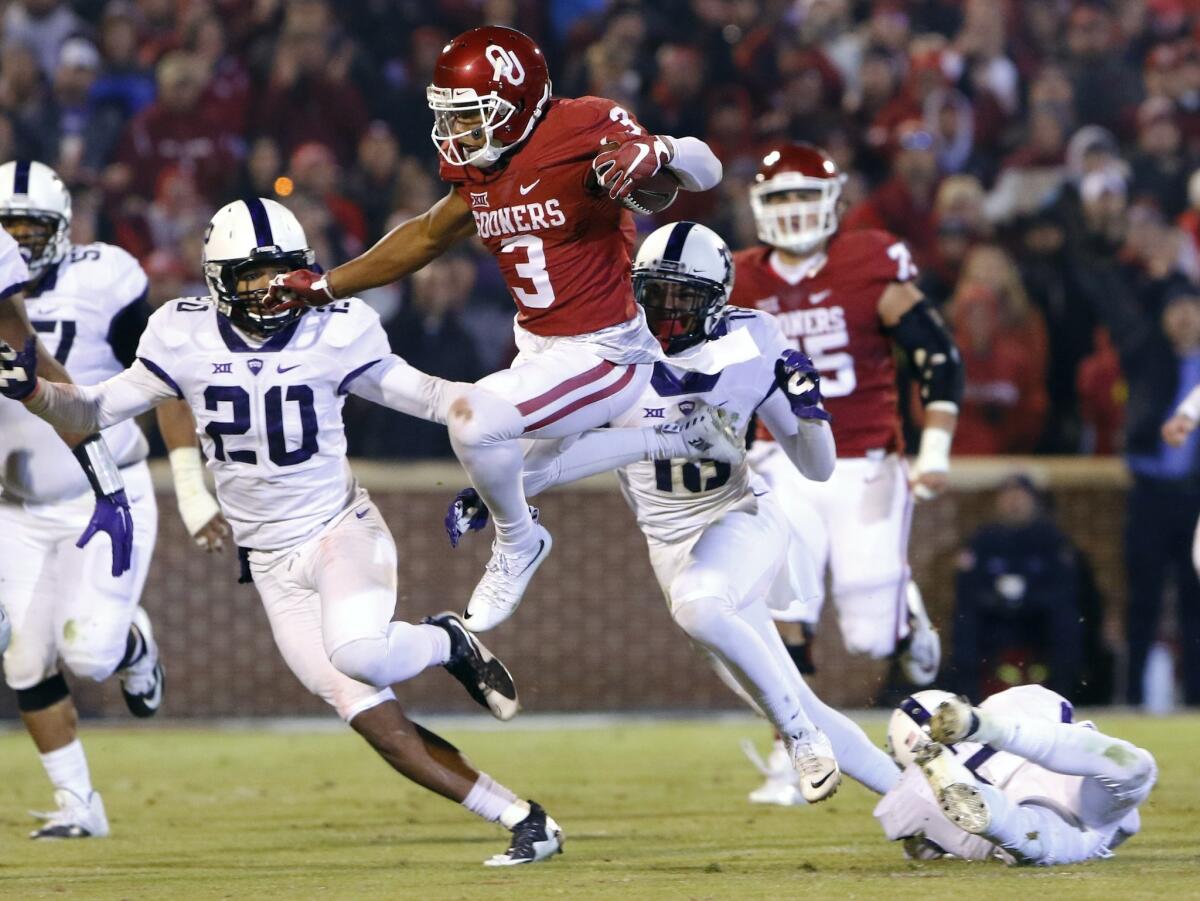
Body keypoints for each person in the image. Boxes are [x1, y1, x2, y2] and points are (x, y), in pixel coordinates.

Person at [0, 197, 725, 866]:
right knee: (369, 716)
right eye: (253, 277)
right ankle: (524, 816)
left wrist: (502, 409)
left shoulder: (337, 326)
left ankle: (446, 638)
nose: (272, 290)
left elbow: (426, 393)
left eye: (284, 273)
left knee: (361, 652)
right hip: (270, 558)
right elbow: (90, 410)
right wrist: (33, 389)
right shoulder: (178, 331)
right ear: (221, 280)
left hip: (339, 530)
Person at [266, 25, 724, 633]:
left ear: (515, 103)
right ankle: (675, 437)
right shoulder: (482, 167)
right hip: (539, 350)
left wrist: (662, 149)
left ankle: (519, 541)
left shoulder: (581, 125)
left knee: (475, 424)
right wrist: (326, 286)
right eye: (450, 117)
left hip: (605, 351)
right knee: (510, 467)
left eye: (469, 115)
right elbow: (429, 234)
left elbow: (708, 170)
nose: (454, 132)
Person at [449, 222, 907, 806]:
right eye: (654, 294)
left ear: (717, 301)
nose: (665, 312)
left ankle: (799, 738)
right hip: (672, 547)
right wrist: (494, 493)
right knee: (782, 682)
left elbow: (816, 467)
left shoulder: (753, 341)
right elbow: (556, 456)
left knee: (701, 609)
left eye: (682, 298)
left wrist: (810, 410)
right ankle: (922, 805)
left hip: (741, 516)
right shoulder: (605, 357)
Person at [730, 143, 963, 804]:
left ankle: (906, 621)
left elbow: (938, 357)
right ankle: (793, 748)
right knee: (783, 599)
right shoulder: (740, 278)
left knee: (868, 636)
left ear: (833, 202)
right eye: (781, 198)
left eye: (806, 196)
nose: (795, 211)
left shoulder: (869, 261)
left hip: (864, 461)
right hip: (782, 457)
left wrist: (937, 449)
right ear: (759, 207)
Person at [0, 160, 197, 838]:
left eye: (34, 228)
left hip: (102, 491)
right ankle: (80, 804)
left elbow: (158, 374)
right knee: (24, 657)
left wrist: (192, 475)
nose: (21, 242)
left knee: (87, 654)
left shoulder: (106, 276)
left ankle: (135, 645)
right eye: (9, 227)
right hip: (16, 505)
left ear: (62, 229)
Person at [877, 686, 1156, 865]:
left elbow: (923, 849)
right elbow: (1063, 722)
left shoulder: (909, 796)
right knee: (1135, 770)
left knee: (1035, 842)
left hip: (1035, 810)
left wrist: (920, 844)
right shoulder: (1013, 701)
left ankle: (993, 816)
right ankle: (989, 728)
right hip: (1073, 779)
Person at [949, 474, 1082, 700]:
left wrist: (1030, 599)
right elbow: (967, 587)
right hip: (994, 616)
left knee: (1067, 621)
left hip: (1037, 617)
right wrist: (996, 600)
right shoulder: (984, 539)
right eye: (1008, 496)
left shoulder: (1050, 539)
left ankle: (1063, 696)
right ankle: (968, 698)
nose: (1014, 502)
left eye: (1020, 496)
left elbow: (1065, 587)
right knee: (965, 621)